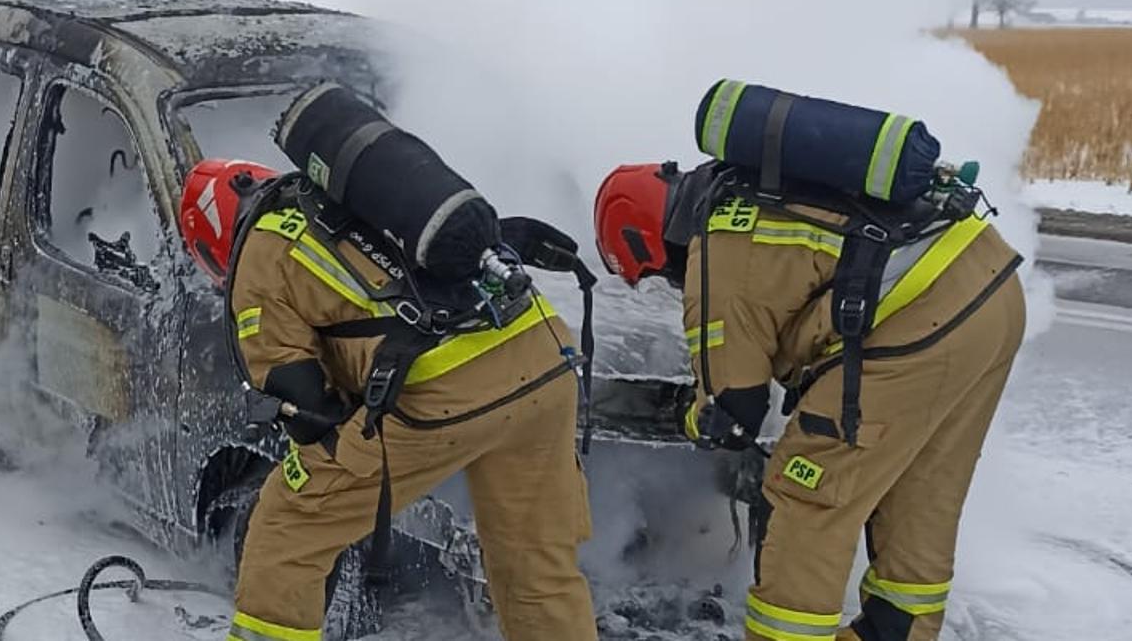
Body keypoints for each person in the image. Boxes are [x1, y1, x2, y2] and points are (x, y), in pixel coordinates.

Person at [593, 162, 1026, 641]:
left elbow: (735, 406)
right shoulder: (756, 195)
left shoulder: (713, 249)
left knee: (808, 496)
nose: (673, 284)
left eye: (660, 275)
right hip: (991, 286)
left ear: (644, 240)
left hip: (922, 318)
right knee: (921, 495)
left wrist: (696, 419)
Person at [179, 158, 599, 641]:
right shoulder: (353, 193)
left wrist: (327, 449)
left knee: (288, 523)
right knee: (535, 565)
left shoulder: (261, 250)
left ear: (212, 244)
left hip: (445, 388)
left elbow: (300, 399)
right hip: (542, 352)